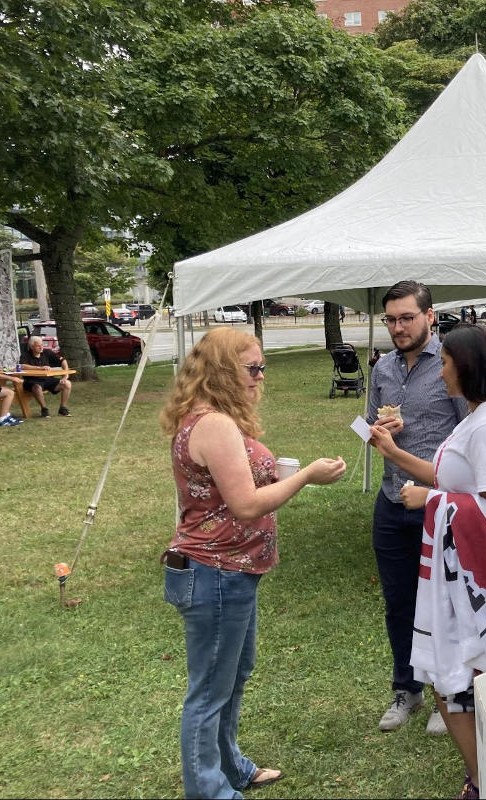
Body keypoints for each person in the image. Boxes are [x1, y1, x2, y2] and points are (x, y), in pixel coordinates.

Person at [159, 327, 346, 798]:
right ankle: (210, 791)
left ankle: (230, 768)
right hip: (216, 572)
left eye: (262, 366)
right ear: (223, 369)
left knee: (233, 675)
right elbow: (245, 505)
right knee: (208, 692)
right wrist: (305, 476)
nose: (261, 376)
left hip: (228, 571)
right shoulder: (214, 425)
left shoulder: (211, 418)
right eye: (252, 368)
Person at [369, 324, 486, 800]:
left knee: (452, 676)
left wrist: (430, 500)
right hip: (471, 560)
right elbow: (449, 473)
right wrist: (395, 453)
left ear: (467, 367)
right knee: (457, 674)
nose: (439, 373)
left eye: (444, 363)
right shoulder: (477, 418)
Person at [366, 280, 469, 735]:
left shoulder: (452, 365)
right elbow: (368, 426)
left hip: (438, 502)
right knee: (398, 602)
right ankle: (406, 688)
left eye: (407, 317)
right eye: (391, 319)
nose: (398, 327)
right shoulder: (382, 368)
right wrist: (378, 429)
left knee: (445, 602)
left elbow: (470, 434)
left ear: (430, 316)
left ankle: (451, 693)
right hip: (391, 500)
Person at [19, 335, 73, 417]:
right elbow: (22, 366)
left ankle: (62, 408)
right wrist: (39, 368)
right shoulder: (25, 355)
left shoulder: (47, 352)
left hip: (48, 380)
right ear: (32, 347)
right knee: (36, 387)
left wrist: (65, 375)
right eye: (38, 346)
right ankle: (44, 409)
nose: (41, 347)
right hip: (32, 381)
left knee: (67, 384)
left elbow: (63, 361)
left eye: (42, 345)